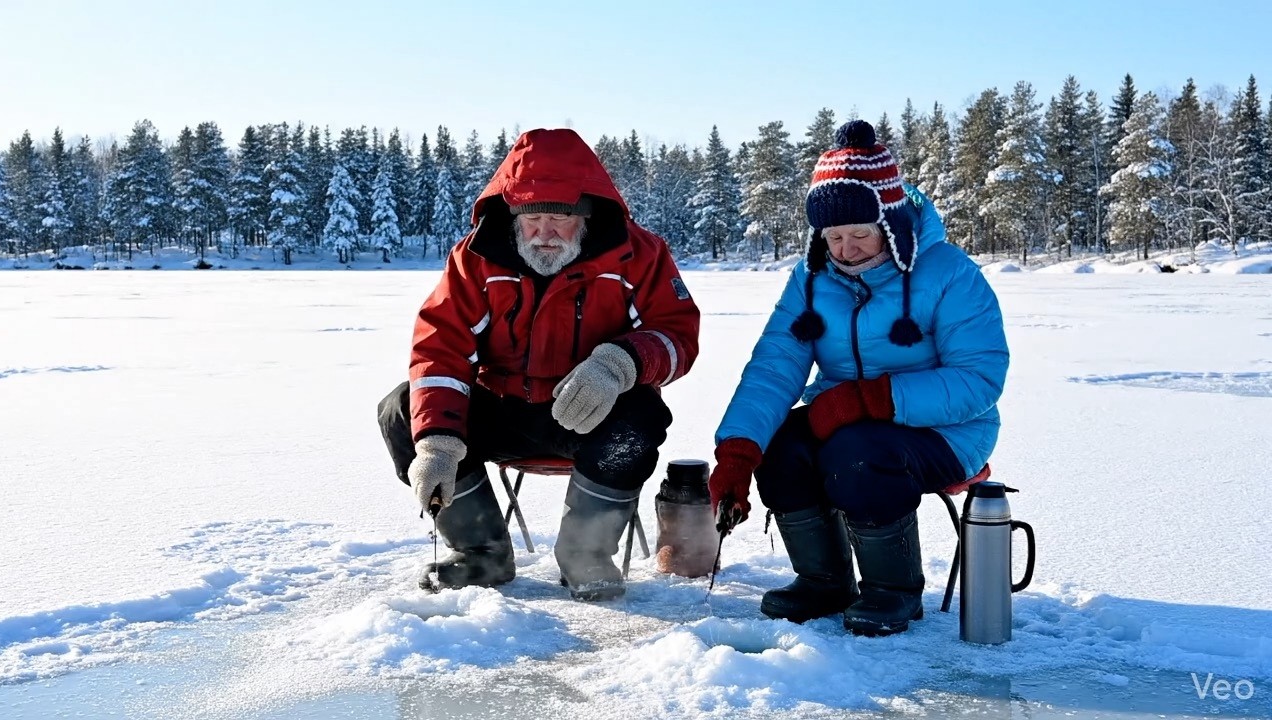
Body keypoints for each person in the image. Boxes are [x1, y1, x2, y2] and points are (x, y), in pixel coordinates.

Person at [708, 120, 1009, 636]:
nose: (845, 250)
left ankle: (894, 591)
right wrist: (738, 452)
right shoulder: (811, 279)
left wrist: (872, 399)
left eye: (859, 235)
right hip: (842, 418)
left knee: (860, 453)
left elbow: (978, 381)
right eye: (833, 237)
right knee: (780, 445)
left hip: (948, 431)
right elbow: (775, 366)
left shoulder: (950, 274)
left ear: (891, 224)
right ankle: (823, 581)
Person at [377, 128, 700, 602]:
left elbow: (678, 336)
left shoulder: (640, 256)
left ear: (586, 215)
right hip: (500, 409)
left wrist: (618, 364)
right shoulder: (474, 259)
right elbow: (440, 349)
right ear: (513, 215)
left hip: (591, 414)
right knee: (403, 409)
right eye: (532, 219)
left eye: (560, 218)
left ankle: (585, 555)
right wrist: (439, 443)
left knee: (641, 418)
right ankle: (480, 554)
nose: (544, 233)